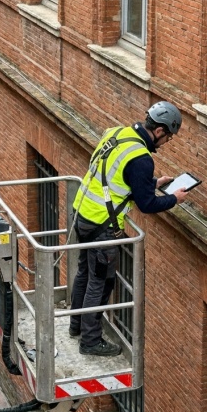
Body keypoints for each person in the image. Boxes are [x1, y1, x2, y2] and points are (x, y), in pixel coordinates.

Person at [69, 101, 189, 356]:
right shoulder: (141, 159)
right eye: (168, 137)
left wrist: (154, 182)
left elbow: (116, 178)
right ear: (159, 131)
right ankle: (90, 342)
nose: (167, 142)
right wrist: (174, 198)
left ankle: (76, 325)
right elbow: (146, 204)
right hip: (103, 226)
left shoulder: (116, 132)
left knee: (83, 273)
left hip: (82, 213)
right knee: (99, 283)